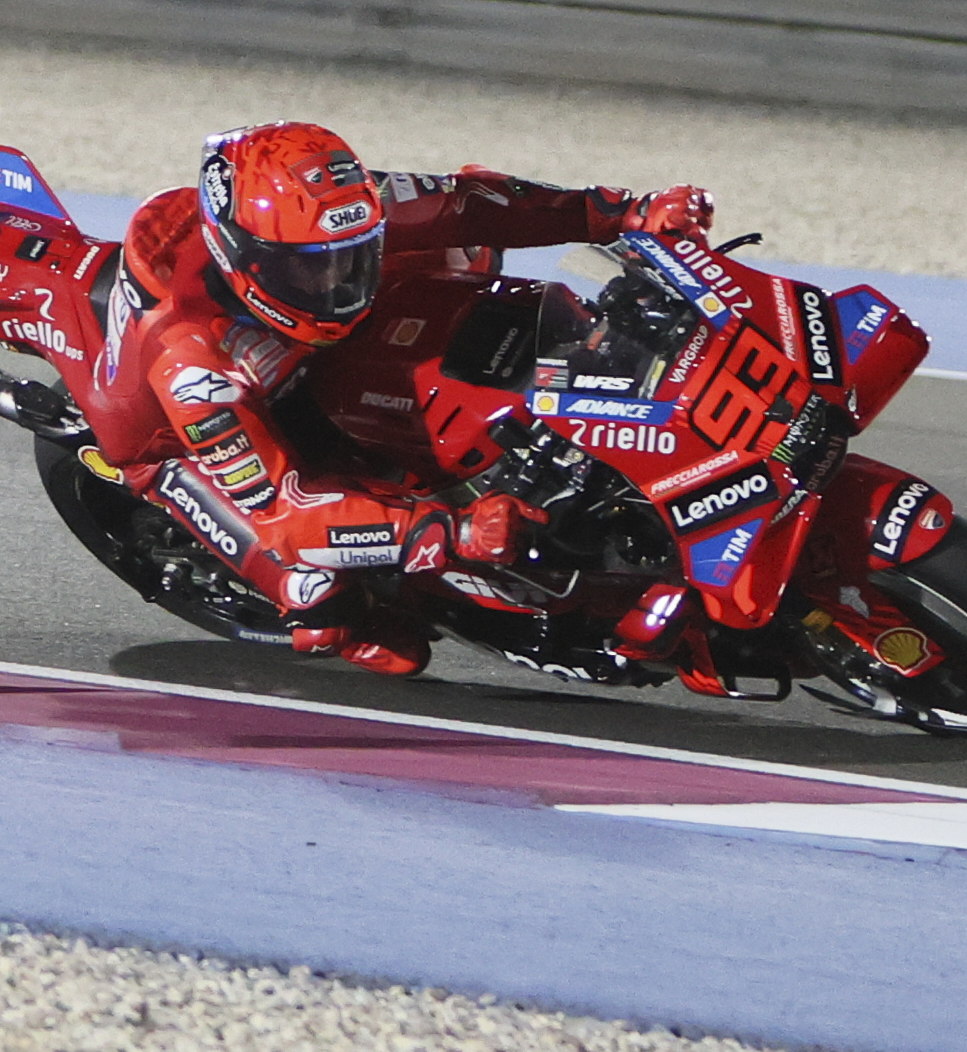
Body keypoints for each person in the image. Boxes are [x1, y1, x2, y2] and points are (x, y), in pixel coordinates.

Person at [79, 121, 712, 675]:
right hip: (177, 440)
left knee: (466, 234)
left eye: (353, 257)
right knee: (321, 601)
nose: (339, 280)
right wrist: (450, 529)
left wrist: (621, 212)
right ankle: (353, 602)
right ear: (243, 259)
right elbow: (286, 513)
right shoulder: (189, 363)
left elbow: (469, 203)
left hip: (310, 350)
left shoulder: (333, 213)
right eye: (311, 269)